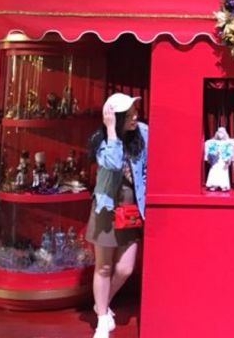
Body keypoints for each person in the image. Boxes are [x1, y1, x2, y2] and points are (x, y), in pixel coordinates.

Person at [85, 93, 148, 338]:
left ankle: (103, 302)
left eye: (135, 112)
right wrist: (111, 130)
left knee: (125, 268)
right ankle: (102, 318)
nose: (135, 117)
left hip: (131, 207)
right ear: (115, 117)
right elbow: (111, 163)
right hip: (106, 207)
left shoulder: (143, 133)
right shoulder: (100, 139)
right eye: (129, 114)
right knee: (104, 266)